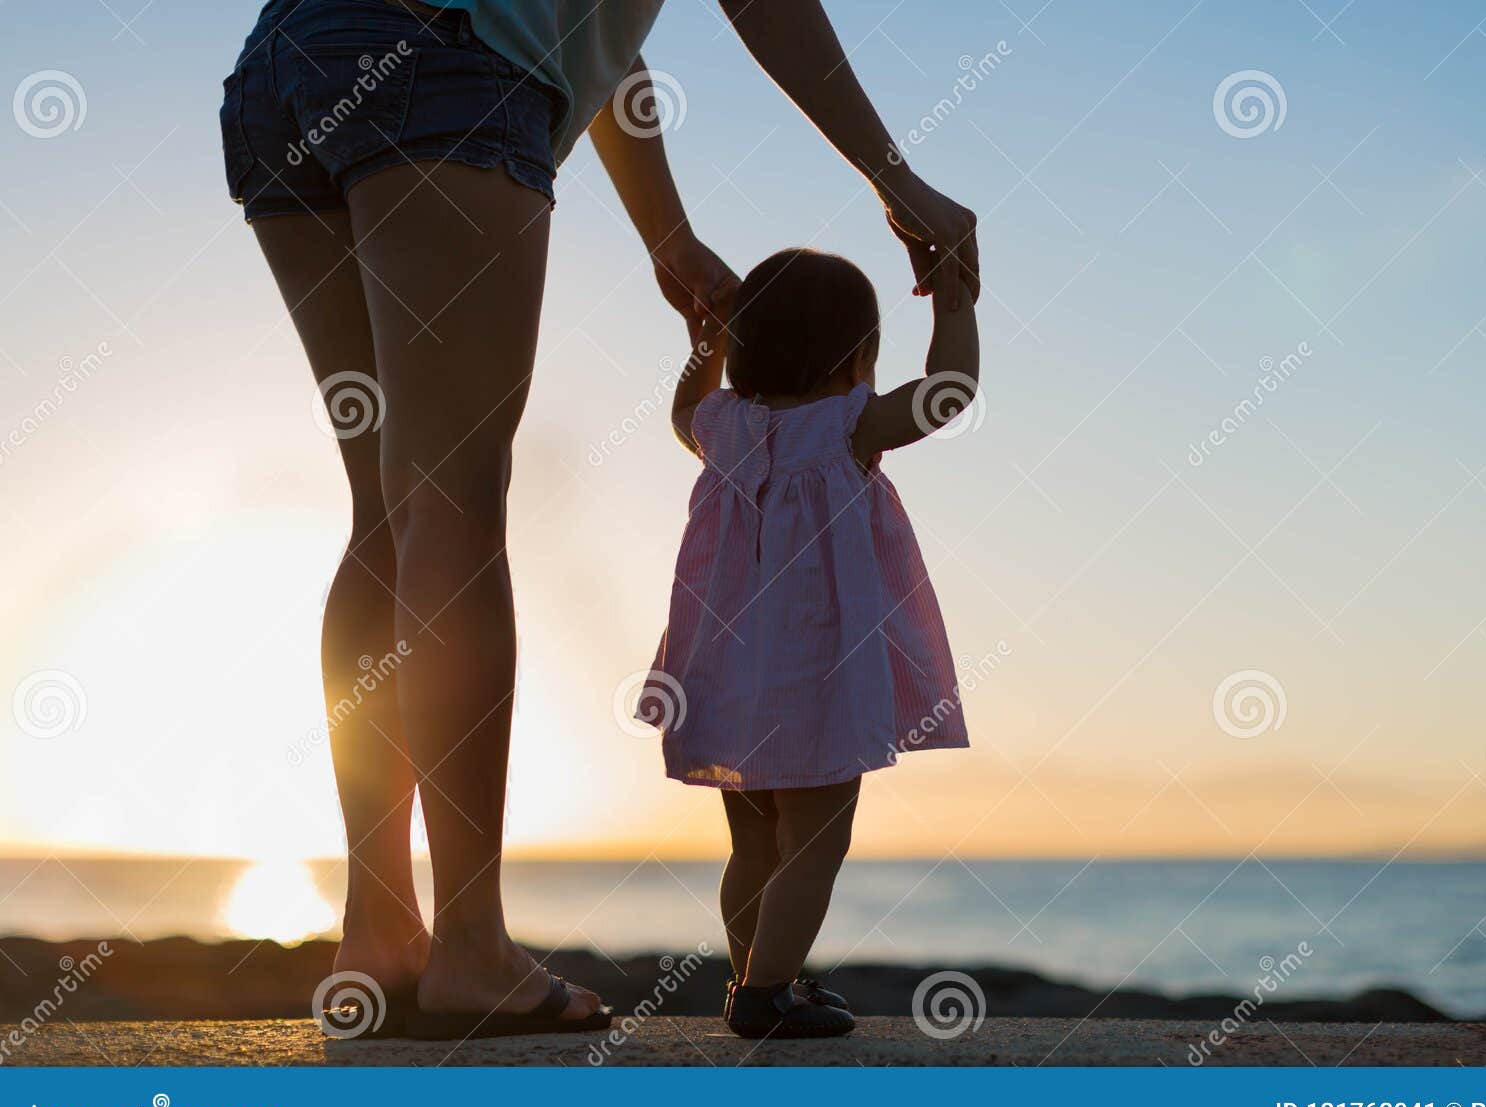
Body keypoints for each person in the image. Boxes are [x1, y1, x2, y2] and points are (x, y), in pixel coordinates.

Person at [221, 0, 978, 1038]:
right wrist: (900, 183)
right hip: (442, 76)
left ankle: (382, 933)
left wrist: (668, 238)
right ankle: (472, 950)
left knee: (388, 513)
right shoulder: (842, 430)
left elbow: (591, 40)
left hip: (288, 62)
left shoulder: (728, 425)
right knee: (451, 498)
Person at [642, 248, 979, 1038]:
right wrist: (954, 303)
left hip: (722, 670)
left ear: (745, 347)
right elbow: (949, 393)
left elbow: (679, 410)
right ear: (859, 358)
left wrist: (705, 342)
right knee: (817, 840)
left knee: (755, 843)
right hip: (815, 676)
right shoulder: (846, 424)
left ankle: (759, 979)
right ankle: (765, 993)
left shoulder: (722, 427)